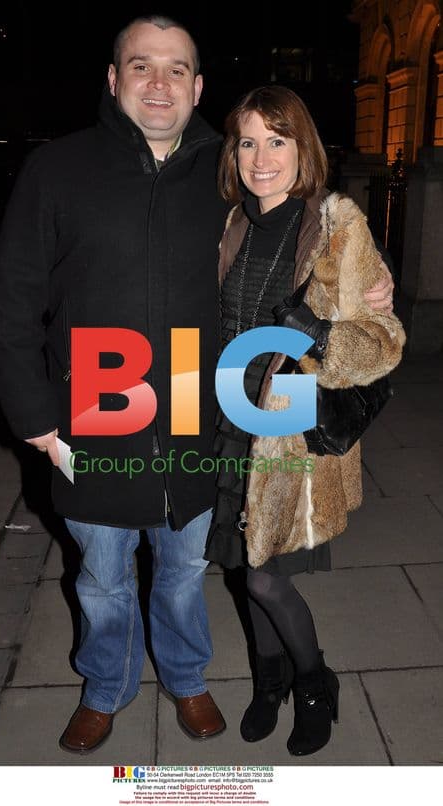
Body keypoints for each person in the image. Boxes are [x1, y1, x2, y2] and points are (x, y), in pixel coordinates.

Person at [0, 16, 394, 755]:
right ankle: (104, 688)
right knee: (102, 578)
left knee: (182, 572)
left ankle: (185, 678)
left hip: (194, 414)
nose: (158, 82)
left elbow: (302, 233)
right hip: (94, 411)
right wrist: (36, 420)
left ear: (198, 86)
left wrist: (370, 281)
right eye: (140, 66)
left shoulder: (228, 170)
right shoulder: (58, 168)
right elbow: (13, 298)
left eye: (176, 69)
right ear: (113, 80)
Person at [204, 85, 405, 756]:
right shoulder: (226, 223)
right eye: (249, 142)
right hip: (227, 423)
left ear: (302, 148)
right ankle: (270, 684)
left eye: (277, 140)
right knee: (245, 568)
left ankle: (314, 684)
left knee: (265, 575)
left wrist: (320, 335)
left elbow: (381, 341)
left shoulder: (335, 224)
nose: (262, 158)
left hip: (288, 432)